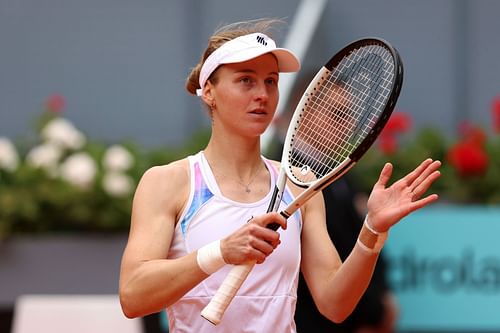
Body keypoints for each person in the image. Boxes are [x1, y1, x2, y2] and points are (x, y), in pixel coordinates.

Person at [119, 19, 441, 333]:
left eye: (270, 81)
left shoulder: (302, 184)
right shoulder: (167, 182)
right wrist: (221, 252)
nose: (262, 94)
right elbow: (133, 296)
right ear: (209, 92)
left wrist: (371, 231)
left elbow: (335, 304)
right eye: (246, 80)